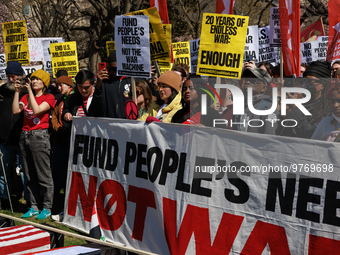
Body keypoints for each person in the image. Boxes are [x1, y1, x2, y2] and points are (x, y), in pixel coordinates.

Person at [12, 69, 55, 219]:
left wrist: (30, 91)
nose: (34, 81)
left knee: (44, 175)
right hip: (25, 136)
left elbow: (36, 110)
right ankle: (34, 206)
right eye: (33, 79)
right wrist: (17, 92)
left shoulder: (49, 97)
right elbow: (16, 110)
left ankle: (48, 207)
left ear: (44, 83)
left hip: (40, 136)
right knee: (29, 175)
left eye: (38, 79)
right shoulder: (24, 96)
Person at [278, 61, 332, 138]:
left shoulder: (328, 108)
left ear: (323, 85)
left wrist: (294, 108)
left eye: (309, 81)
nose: (305, 85)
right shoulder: (301, 103)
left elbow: (311, 134)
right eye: (304, 81)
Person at [0, 61, 27, 209]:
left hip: (22, 138)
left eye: (14, 76)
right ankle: (5, 199)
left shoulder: (26, 92)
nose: (11, 79)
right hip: (4, 139)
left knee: (24, 171)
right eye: (8, 76)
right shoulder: (2, 91)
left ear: (20, 76)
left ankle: (28, 200)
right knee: (3, 171)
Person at [51, 76, 73, 215]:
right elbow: (54, 117)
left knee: (68, 173)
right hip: (59, 140)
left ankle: (67, 204)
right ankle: (57, 202)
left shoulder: (74, 99)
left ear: (69, 86)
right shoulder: (59, 101)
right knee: (57, 172)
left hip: (70, 141)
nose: (59, 88)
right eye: (58, 85)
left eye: (61, 85)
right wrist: (58, 128)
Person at [239, 67, 279, 134]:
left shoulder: (268, 108)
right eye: (246, 79)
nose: (248, 82)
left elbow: (269, 136)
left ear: (263, 88)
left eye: (253, 81)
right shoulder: (241, 105)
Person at [96, 51, 132, 119]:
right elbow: (96, 109)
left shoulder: (133, 79)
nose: (113, 72)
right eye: (109, 69)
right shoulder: (105, 82)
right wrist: (98, 87)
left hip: (130, 124)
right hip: (110, 126)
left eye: (115, 69)